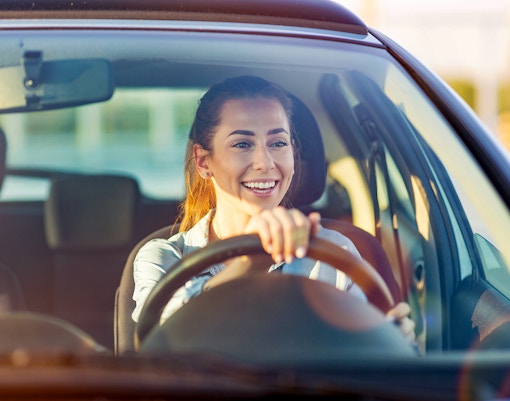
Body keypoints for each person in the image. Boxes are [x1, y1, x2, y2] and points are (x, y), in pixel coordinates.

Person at [132, 75, 415, 343]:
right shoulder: (162, 259)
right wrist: (250, 263)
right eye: (242, 144)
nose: (264, 163)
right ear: (204, 162)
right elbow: (162, 346)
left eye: (278, 143)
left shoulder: (335, 253)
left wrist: (390, 341)